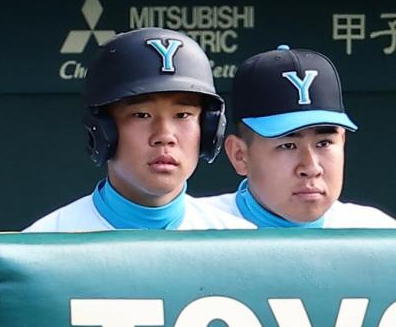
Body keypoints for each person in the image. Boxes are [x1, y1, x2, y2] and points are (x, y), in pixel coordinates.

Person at [26, 27, 252, 232]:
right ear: (103, 130)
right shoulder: (47, 243)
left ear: (208, 128)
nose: (164, 136)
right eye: (141, 115)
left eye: (183, 115)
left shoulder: (239, 244)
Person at [199, 45, 396, 228]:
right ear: (240, 155)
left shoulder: (377, 233)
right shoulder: (196, 229)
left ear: (342, 142)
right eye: (288, 145)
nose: (311, 168)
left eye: (324, 143)